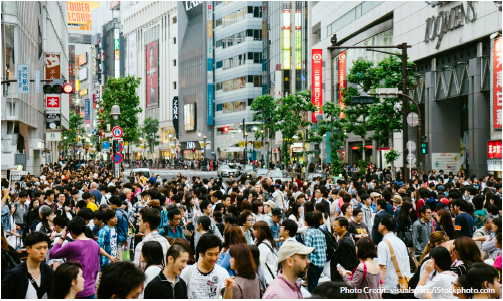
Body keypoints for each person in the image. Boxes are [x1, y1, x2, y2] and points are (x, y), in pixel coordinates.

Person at [48, 216, 100, 298]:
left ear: (71, 231)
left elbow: (52, 254)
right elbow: (97, 267)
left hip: (76, 290)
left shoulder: (72, 245)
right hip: (91, 289)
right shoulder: (95, 244)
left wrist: (62, 237)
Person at [1, 232, 54, 299]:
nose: (43, 251)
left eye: (45, 247)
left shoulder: (48, 270)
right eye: (38, 248)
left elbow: (52, 294)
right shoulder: (16, 274)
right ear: (28, 249)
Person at [180, 234, 234, 299]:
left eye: (217, 254)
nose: (214, 258)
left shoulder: (222, 272)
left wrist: (229, 288)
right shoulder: (187, 271)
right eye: (210, 254)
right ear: (201, 253)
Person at [376, 215, 411, 299]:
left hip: (388, 286)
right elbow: (406, 263)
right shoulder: (401, 242)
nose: (378, 226)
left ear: (384, 227)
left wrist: (379, 287)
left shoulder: (382, 244)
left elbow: (383, 268)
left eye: (379, 224)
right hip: (402, 284)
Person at [304, 212, 327, 292]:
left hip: (313, 263)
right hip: (321, 263)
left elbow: (307, 249)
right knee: (315, 285)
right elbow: (325, 247)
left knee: (311, 287)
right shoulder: (321, 232)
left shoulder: (309, 233)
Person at [331, 216, 359, 282]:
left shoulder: (345, 243)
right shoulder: (345, 238)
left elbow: (346, 266)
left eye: (335, 226)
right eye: (333, 226)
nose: (333, 228)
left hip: (342, 281)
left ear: (343, 227)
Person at [253, 220, 279, 286]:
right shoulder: (270, 242)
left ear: (261, 231)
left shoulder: (262, 246)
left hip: (267, 281)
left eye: (255, 229)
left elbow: (260, 266)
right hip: (273, 278)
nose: (253, 232)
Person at [109, 196, 129, 260]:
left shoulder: (115, 214)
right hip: (124, 237)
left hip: (118, 238)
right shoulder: (125, 213)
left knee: (119, 259)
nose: (110, 206)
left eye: (111, 204)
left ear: (115, 204)